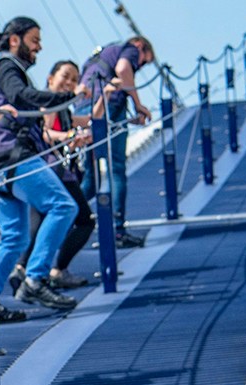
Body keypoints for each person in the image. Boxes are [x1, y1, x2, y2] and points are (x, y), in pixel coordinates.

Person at [0, 16, 85, 313]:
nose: (39, 47)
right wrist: (66, 96)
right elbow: (19, 95)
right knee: (64, 206)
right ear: (16, 40)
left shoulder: (0, 69)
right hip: (13, 153)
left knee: (15, 236)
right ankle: (36, 279)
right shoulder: (6, 66)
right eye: (35, 40)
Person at [8, 58, 97, 294]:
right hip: (52, 169)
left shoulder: (63, 109)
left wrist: (103, 96)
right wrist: (67, 136)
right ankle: (53, 271)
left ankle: (22, 268)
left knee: (40, 222)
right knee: (83, 218)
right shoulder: (48, 105)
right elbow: (46, 133)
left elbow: (89, 120)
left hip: (47, 168)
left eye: (74, 79)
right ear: (50, 79)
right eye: (65, 76)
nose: (69, 82)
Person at [81, 35, 154, 247]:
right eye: (143, 61)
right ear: (141, 46)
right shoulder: (130, 49)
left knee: (90, 173)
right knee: (116, 168)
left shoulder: (98, 56)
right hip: (110, 105)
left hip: (86, 107)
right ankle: (118, 230)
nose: (139, 66)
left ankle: (69, 222)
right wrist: (138, 104)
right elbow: (123, 70)